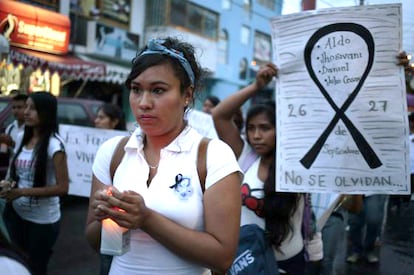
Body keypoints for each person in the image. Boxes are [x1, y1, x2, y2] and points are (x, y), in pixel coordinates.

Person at [85, 37, 242, 275]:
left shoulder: (214, 157)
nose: (144, 103)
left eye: (158, 90)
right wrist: (106, 217)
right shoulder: (113, 152)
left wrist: (147, 219)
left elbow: (222, 257)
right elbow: (95, 241)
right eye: (136, 89)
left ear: (187, 95)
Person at [212, 63, 310, 275]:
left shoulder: (299, 161)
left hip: (288, 263)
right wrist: (256, 86)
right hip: (248, 260)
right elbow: (219, 115)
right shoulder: (244, 155)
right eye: (251, 128)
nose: (256, 136)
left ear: (280, 130)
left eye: (265, 128)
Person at [1, 92, 69, 275]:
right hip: (16, 215)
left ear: (46, 112)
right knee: (18, 264)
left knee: (36, 268)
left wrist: (22, 192)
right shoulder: (23, 136)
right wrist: (8, 184)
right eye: (26, 107)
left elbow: (63, 187)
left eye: (33, 108)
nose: (26, 112)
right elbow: (17, 172)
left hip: (42, 222)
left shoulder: (55, 145)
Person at [94, 102, 127, 275]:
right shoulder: (107, 151)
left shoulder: (123, 149)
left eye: (101, 117)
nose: (96, 121)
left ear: (114, 121)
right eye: (136, 90)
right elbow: (91, 234)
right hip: (110, 230)